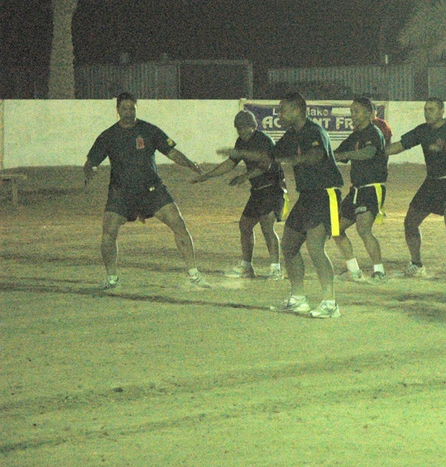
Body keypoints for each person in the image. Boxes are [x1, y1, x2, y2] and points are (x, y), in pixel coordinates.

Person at [226, 92, 343, 318]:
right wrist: (242, 153)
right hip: (307, 196)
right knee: (289, 246)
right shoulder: (290, 135)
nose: (279, 114)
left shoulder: (313, 131)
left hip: (324, 194)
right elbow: (270, 156)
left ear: (298, 110)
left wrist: (295, 159)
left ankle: (330, 304)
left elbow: (318, 154)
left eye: (283, 110)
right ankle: (298, 299)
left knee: (316, 248)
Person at [84, 92, 210, 290]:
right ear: (117, 110)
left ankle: (194, 274)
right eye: (124, 108)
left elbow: (172, 152)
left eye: (132, 108)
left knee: (179, 225)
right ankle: (111, 279)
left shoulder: (149, 130)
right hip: (121, 193)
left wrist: (190, 164)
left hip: (152, 190)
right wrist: (89, 170)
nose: (128, 112)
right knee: (108, 234)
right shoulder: (107, 136)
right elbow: (91, 161)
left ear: (136, 108)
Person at [193, 110, 285, 281]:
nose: (241, 132)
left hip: (273, 189)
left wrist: (244, 176)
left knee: (267, 227)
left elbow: (266, 164)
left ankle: (275, 269)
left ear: (253, 127)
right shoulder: (240, 142)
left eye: (244, 128)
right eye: (238, 129)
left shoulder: (264, 141)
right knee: (245, 225)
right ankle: (247, 267)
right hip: (258, 191)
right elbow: (230, 163)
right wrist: (207, 176)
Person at [386, 98, 446, 278]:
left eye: (431, 109)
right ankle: (417, 265)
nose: (427, 113)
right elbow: (400, 146)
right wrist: (378, 153)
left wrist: (444, 147)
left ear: (442, 111)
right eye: (425, 109)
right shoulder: (422, 130)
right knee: (410, 222)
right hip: (432, 182)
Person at [332, 96, 389, 282]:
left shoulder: (374, 133)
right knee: (336, 229)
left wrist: (344, 154)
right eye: (351, 112)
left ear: (368, 113)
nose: (352, 115)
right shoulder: (355, 136)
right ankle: (354, 269)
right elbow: (337, 155)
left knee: (363, 229)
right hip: (356, 191)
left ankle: (379, 271)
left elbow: (368, 153)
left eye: (356, 111)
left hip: (372, 189)